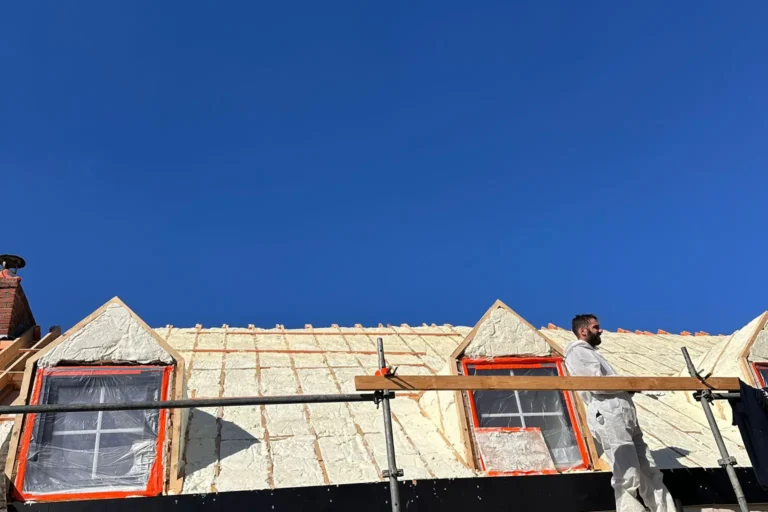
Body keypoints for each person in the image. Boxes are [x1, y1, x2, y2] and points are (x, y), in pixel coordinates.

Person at [564, 314, 677, 512]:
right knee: (627, 471)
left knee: (648, 470)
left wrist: (628, 387)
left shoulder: (592, 353)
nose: (600, 330)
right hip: (608, 411)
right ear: (583, 331)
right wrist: (628, 385)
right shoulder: (578, 352)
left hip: (623, 412)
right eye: (595, 327)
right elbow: (597, 384)